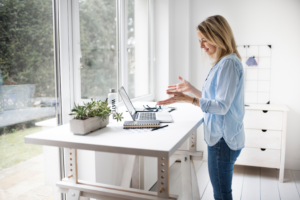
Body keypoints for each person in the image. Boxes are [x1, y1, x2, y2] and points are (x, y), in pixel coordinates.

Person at [157, 15, 245, 200]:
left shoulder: (228, 63)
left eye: (204, 40)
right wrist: (191, 90)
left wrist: (188, 99)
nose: (201, 46)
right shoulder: (224, 62)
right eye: (199, 41)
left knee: (221, 193)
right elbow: (214, 98)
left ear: (218, 36)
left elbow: (220, 107)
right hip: (224, 138)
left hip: (223, 140)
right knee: (222, 191)